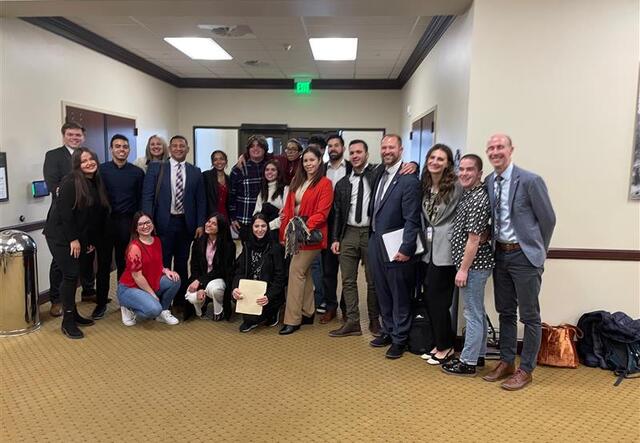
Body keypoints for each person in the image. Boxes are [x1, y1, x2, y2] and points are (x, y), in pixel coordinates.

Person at [482, 134, 556, 391]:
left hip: (524, 257)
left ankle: (526, 369)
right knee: (505, 312)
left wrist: (537, 252)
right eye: (491, 148)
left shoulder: (530, 180)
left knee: (530, 316)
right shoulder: (489, 181)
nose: (495, 152)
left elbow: (548, 220)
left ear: (511, 150)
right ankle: (506, 362)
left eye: (500, 147)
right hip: (500, 255)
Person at [43, 147, 110, 339]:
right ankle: (68, 321)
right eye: (84, 161)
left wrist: (86, 241)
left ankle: (74, 314)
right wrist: (73, 239)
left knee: (75, 274)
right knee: (71, 275)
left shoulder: (94, 181)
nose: (89, 163)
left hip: (77, 235)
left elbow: (88, 217)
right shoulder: (70, 181)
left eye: (91, 159)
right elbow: (65, 214)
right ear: (77, 165)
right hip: (60, 235)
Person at [367, 134, 421, 359]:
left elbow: (412, 218)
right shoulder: (379, 172)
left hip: (396, 245)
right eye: (384, 147)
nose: (387, 151)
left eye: (392, 147)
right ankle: (388, 330)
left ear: (401, 150)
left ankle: (400, 338)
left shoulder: (409, 179)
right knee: (382, 291)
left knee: (399, 293)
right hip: (375, 242)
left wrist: (407, 248)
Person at [441, 154, 494, 377]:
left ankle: (468, 362)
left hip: (473, 266)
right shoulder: (467, 194)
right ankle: (478, 354)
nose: (464, 173)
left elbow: (474, 239)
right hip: (471, 265)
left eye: (469, 170)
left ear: (479, 173)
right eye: (461, 169)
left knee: (471, 313)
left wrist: (463, 269)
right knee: (477, 311)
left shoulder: (478, 199)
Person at [141, 135, 206, 315]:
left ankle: (179, 301)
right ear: (169, 149)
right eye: (175, 146)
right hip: (162, 223)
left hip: (186, 224)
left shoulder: (195, 171)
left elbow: (201, 201)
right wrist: (148, 222)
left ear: (187, 149)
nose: (178, 149)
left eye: (182, 146)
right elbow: (147, 197)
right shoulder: (156, 168)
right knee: (162, 264)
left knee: (182, 263)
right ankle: (161, 302)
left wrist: (200, 223)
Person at [43, 122, 96, 317]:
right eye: (70, 134)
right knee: (61, 264)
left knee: (85, 257)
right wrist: (71, 192)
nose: (74, 137)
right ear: (63, 135)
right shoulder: (54, 155)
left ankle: (88, 290)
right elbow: (53, 184)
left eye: (78, 135)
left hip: (82, 219)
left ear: (83, 136)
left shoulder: (87, 156)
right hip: (62, 218)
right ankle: (56, 300)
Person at [279, 146, 333, 335]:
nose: (309, 164)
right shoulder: (297, 180)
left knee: (296, 271)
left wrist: (302, 228)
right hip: (293, 235)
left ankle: (292, 319)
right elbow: (287, 209)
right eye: (306, 161)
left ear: (319, 161)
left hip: (311, 237)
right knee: (306, 272)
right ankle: (308, 312)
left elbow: (322, 213)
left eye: (312, 160)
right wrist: (284, 234)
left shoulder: (325, 183)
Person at [420, 144, 463, 365]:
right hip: (428, 252)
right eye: (432, 157)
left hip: (446, 252)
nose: (435, 162)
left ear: (448, 164)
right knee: (430, 298)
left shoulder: (456, 186)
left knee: (440, 301)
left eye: (441, 159)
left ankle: (446, 347)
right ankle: (439, 343)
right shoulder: (426, 185)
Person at [94, 134, 144, 320]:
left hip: (127, 223)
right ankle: (100, 303)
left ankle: (124, 301)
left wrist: (138, 227)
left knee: (125, 265)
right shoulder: (101, 171)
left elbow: (140, 200)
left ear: (129, 150)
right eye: (117, 146)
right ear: (111, 149)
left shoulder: (137, 173)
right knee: (104, 265)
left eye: (125, 146)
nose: (121, 149)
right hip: (106, 223)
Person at [117, 212, 181, 326]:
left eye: (147, 222)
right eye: (141, 224)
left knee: (175, 280)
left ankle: (164, 311)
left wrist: (166, 271)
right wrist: (152, 294)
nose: (145, 226)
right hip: (130, 287)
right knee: (154, 310)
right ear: (136, 228)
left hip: (149, 282)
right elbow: (137, 276)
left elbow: (157, 264)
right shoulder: (134, 247)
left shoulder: (156, 240)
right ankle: (128, 307)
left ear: (152, 224)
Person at [232, 213, 286, 332]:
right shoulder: (247, 246)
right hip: (251, 289)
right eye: (256, 226)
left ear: (268, 227)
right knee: (247, 316)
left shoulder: (275, 248)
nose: (260, 230)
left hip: (268, 292)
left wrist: (269, 296)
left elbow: (280, 278)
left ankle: (274, 310)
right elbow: (239, 271)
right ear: (252, 228)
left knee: (261, 314)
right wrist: (235, 288)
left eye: (263, 226)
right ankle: (253, 318)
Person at [318, 134, 352, 324]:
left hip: (348, 225)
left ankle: (347, 308)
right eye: (330, 146)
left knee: (348, 271)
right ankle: (331, 307)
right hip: (327, 225)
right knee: (328, 271)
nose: (333, 148)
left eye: (336, 145)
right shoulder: (321, 170)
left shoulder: (352, 168)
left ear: (342, 148)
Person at [184, 213, 236, 321]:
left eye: (214, 224)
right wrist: (198, 284)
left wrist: (201, 282)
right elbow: (194, 267)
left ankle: (219, 310)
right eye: (208, 222)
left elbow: (222, 270)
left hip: (219, 279)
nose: (209, 225)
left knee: (214, 289)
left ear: (220, 227)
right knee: (189, 295)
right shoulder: (198, 242)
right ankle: (201, 307)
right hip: (201, 278)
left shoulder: (228, 245)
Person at [229, 135, 269, 241]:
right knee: (247, 251)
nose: (255, 149)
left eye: (259, 146)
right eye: (252, 146)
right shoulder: (238, 169)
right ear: (248, 150)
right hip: (245, 219)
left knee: (267, 253)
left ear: (265, 149)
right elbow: (231, 196)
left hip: (267, 220)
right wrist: (233, 218)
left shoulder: (270, 168)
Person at [253, 159, 288, 242]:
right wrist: (261, 227)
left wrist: (268, 226)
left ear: (278, 172)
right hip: (263, 233)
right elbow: (256, 212)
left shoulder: (285, 189)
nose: (269, 172)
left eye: (273, 170)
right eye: (267, 170)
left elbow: (285, 215)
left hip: (278, 233)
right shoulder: (262, 191)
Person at [202, 150, 231, 223]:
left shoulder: (229, 179)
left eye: (221, 159)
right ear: (212, 162)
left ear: (226, 161)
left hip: (225, 217)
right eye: (215, 160)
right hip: (210, 217)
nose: (219, 162)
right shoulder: (206, 176)